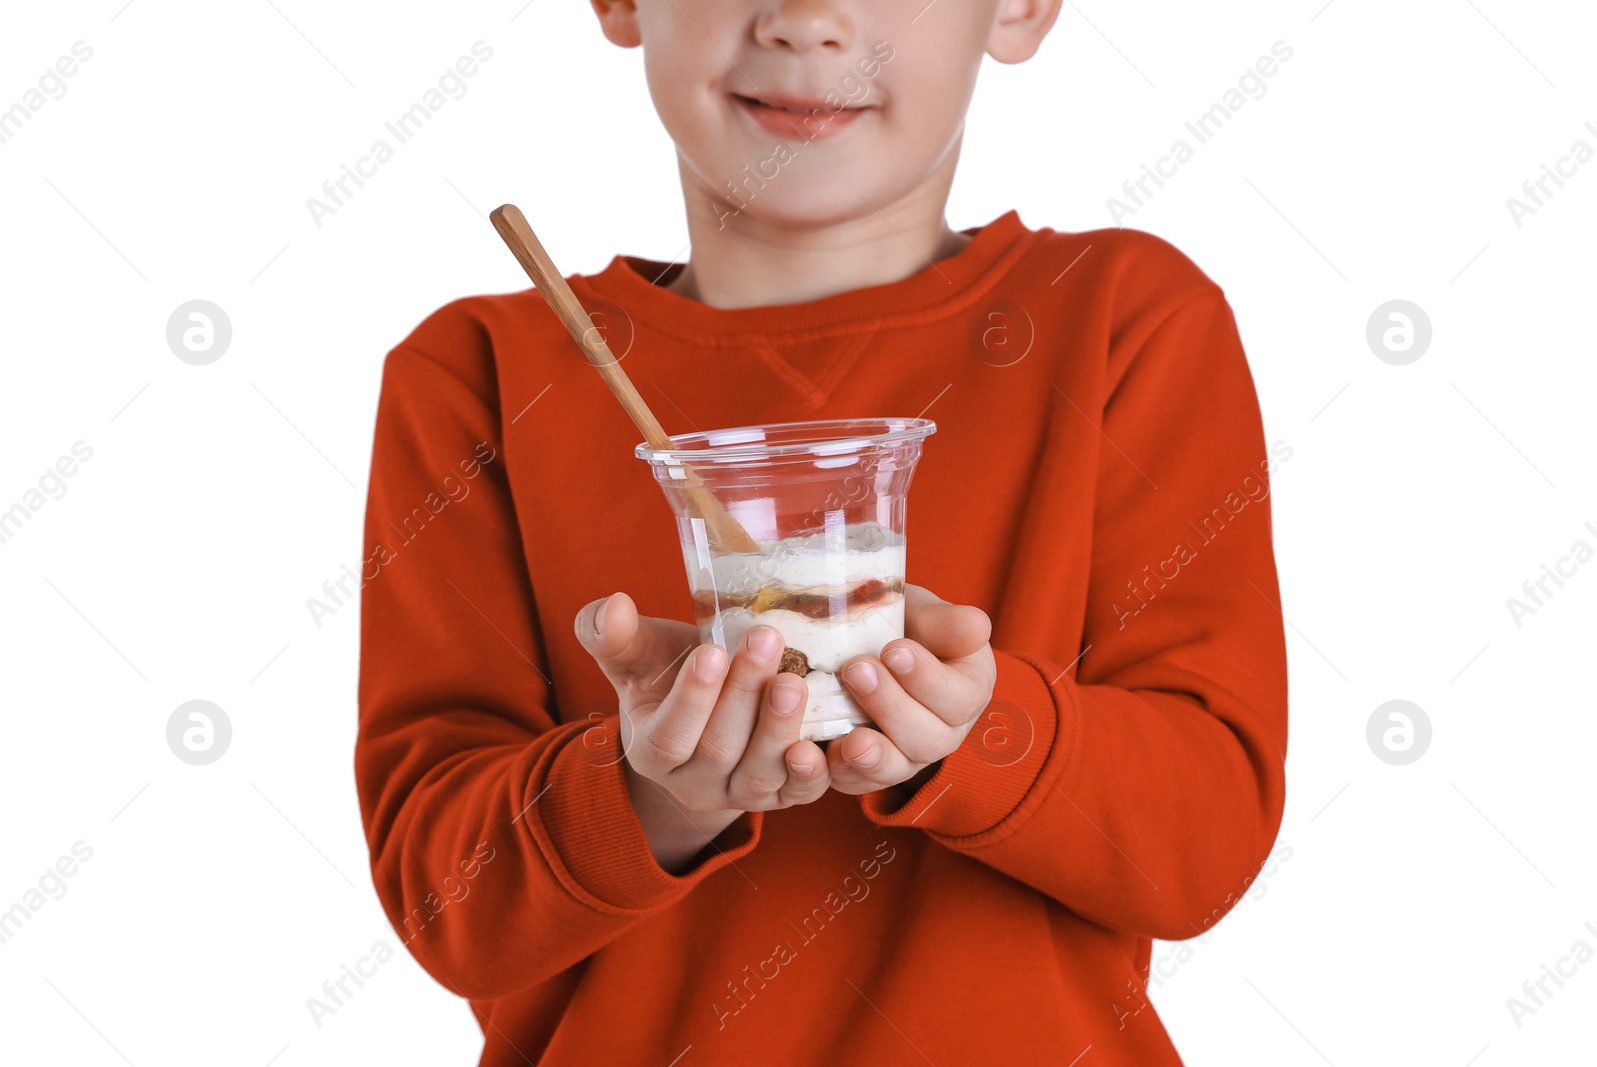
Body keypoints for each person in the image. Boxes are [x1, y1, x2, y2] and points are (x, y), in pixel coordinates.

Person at [355, 1, 1289, 1062]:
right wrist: (644, 787)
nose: (804, 20)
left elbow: (1201, 848)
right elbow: (447, 908)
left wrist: (984, 729)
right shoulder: (479, 376)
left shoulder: (1126, 320)